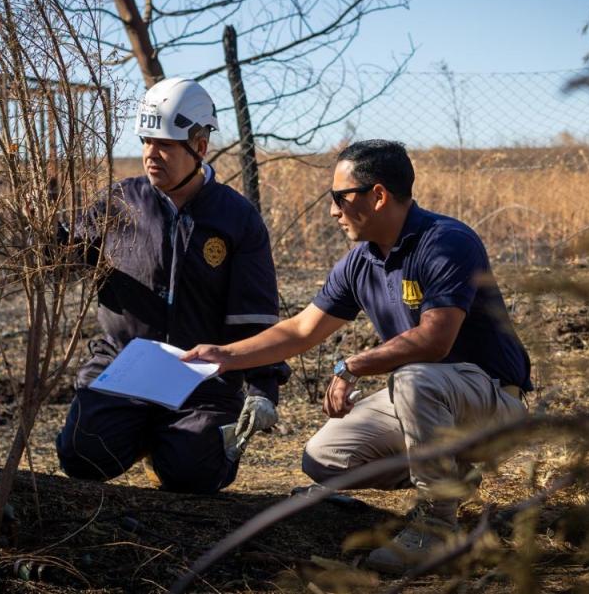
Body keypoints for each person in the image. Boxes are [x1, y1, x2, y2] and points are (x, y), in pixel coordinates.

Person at [183, 139, 531, 572]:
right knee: (325, 457)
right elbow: (301, 329)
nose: (333, 211)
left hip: (492, 403)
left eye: (339, 197)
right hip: (428, 402)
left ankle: (437, 530)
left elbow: (435, 340)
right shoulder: (360, 262)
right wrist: (225, 355)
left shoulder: (446, 242)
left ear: (378, 195)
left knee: (413, 378)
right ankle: (451, 475)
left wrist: (352, 365)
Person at [54, 77, 289, 494]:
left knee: (194, 475)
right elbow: (67, 255)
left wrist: (262, 387)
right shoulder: (119, 202)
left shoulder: (237, 219)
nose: (150, 154)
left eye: (164, 144)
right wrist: (41, 234)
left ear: (200, 146)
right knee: (81, 455)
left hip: (202, 373)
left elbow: (255, 314)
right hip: (124, 362)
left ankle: (173, 446)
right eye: (146, 141)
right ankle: (144, 432)